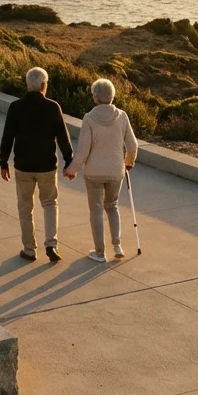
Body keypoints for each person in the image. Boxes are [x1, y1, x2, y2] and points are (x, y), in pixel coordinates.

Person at [0, 67, 74, 262]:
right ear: (44, 85)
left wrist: (3, 161)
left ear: (27, 85)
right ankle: (51, 244)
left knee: (25, 207)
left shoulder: (15, 107)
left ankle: (29, 249)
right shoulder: (52, 107)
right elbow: (63, 138)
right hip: (47, 166)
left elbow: (7, 136)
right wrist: (69, 161)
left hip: (23, 166)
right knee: (50, 204)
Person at [66, 78, 139, 262]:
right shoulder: (122, 116)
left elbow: (83, 151)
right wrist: (128, 162)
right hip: (116, 171)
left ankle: (100, 253)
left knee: (96, 210)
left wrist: (72, 170)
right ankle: (117, 245)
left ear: (96, 97)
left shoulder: (89, 118)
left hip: (94, 174)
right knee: (112, 206)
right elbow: (132, 145)